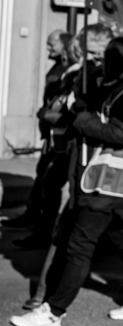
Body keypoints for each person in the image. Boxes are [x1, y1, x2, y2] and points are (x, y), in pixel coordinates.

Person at [10, 36, 123, 326]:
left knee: (80, 245)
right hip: (113, 182)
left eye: (103, 57)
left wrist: (82, 118)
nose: (99, 63)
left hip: (108, 180)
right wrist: (81, 105)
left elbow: (119, 133)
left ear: (117, 60)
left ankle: (53, 312)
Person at [4, 31, 78, 244]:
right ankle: (38, 221)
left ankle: (46, 231)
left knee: (52, 182)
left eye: (52, 44)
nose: (49, 48)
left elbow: (67, 110)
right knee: (46, 179)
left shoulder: (76, 73)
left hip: (66, 141)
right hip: (55, 138)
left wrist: (48, 114)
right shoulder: (64, 71)